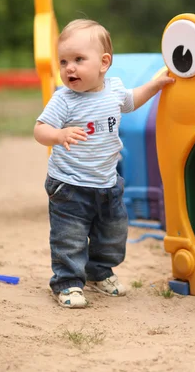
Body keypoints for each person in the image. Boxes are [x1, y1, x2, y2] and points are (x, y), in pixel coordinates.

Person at [34, 19, 174, 309]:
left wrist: (156, 85)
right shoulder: (64, 100)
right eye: (63, 62)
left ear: (104, 62)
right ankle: (68, 283)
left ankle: (99, 272)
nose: (69, 68)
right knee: (69, 238)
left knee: (112, 235)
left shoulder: (114, 90)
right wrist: (58, 135)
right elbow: (40, 130)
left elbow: (133, 100)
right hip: (69, 186)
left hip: (108, 184)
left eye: (78, 60)